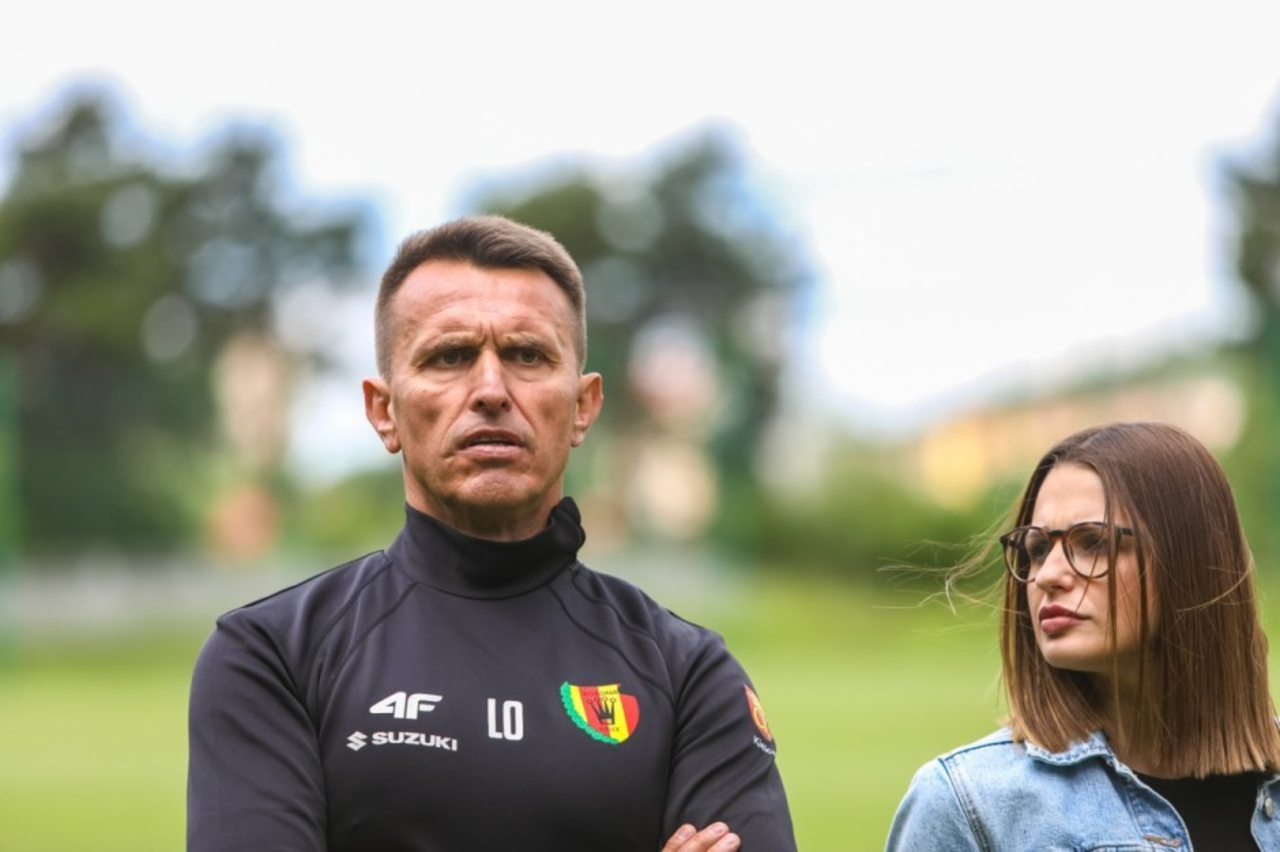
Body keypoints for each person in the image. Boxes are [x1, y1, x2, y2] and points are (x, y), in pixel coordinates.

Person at [187, 215, 796, 851]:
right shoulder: (272, 654)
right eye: (449, 357)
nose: (490, 390)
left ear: (583, 407)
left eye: (527, 355)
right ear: (383, 410)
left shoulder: (688, 673)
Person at [887, 421, 1280, 850]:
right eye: (1037, 548)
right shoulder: (968, 804)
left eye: (1093, 542)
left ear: (1190, 561)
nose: (1046, 575)